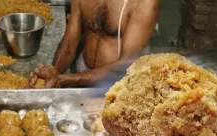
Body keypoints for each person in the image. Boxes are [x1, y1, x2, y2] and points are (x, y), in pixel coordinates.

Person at [29, 0, 159, 88]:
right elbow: (69, 43)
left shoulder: (143, 3)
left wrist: (67, 79)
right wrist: (53, 72)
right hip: (83, 69)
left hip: (119, 83)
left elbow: (126, 64)